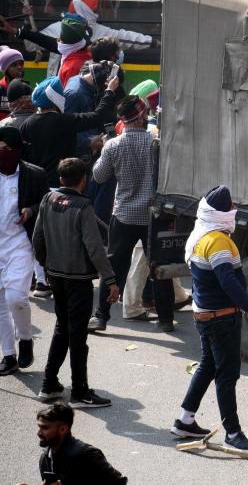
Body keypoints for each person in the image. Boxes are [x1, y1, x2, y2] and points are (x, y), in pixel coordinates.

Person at [172, 185, 248, 452]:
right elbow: (227, 280)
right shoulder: (218, 241)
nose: (234, 210)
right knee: (227, 376)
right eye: (231, 206)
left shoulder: (200, 235)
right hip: (221, 319)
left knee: (208, 365)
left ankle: (185, 420)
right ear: (221, 212)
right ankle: (233, 433)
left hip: (203, 315)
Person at [32, 158, 119, 407]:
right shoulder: (83, 207)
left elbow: (38, 238)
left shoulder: (47, 200)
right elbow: (95, 249)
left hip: (56, 276)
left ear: (61, 180)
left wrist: (46, 265)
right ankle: (80, 391)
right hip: (78, 279)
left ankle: (49, 384)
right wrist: (110, 279)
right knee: (77, 336)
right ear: (84, 180)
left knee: (62, 327)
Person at [88, 95, 174, 331]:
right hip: (153, 216)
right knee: (159, 267)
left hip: (124, 215)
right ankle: (166, 320)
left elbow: (98, 176)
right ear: (142, 116)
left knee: (114, 267)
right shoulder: (156, 142)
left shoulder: (113, 145)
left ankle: (101, 316)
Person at [0, 127, 47, 375]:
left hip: (19, 243)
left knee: (16, 297)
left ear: (17, 150)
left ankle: (26, 338)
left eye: (6, 150)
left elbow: (46, 202)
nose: (2, 154)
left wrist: (31, 209)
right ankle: (9, 355)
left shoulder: (34, 175)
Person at [20, 76, 119, 187]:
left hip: (36, 185)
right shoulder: (63, 121)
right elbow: (97, 117)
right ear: (56, 98)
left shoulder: (26, 124)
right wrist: (109, 91)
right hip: (60, 185)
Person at [36, 402, 127, 484]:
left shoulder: (87, 456)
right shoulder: (45, 458)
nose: (39, 433)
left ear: (63, 429)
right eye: (39, 427)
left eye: (45, 428)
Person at [40, 0, 157, 52]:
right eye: (94, 9)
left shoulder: (98, 30)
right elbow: (30, 45)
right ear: (87, 10)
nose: (97, 12)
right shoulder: (57, 29)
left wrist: (152, 42)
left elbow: (126, 37)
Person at [0, 45, 25, 120]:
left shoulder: (26, 88)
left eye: (21, 64)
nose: (19, 67)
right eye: (14, 65)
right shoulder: (1, 89)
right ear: (5, 69)